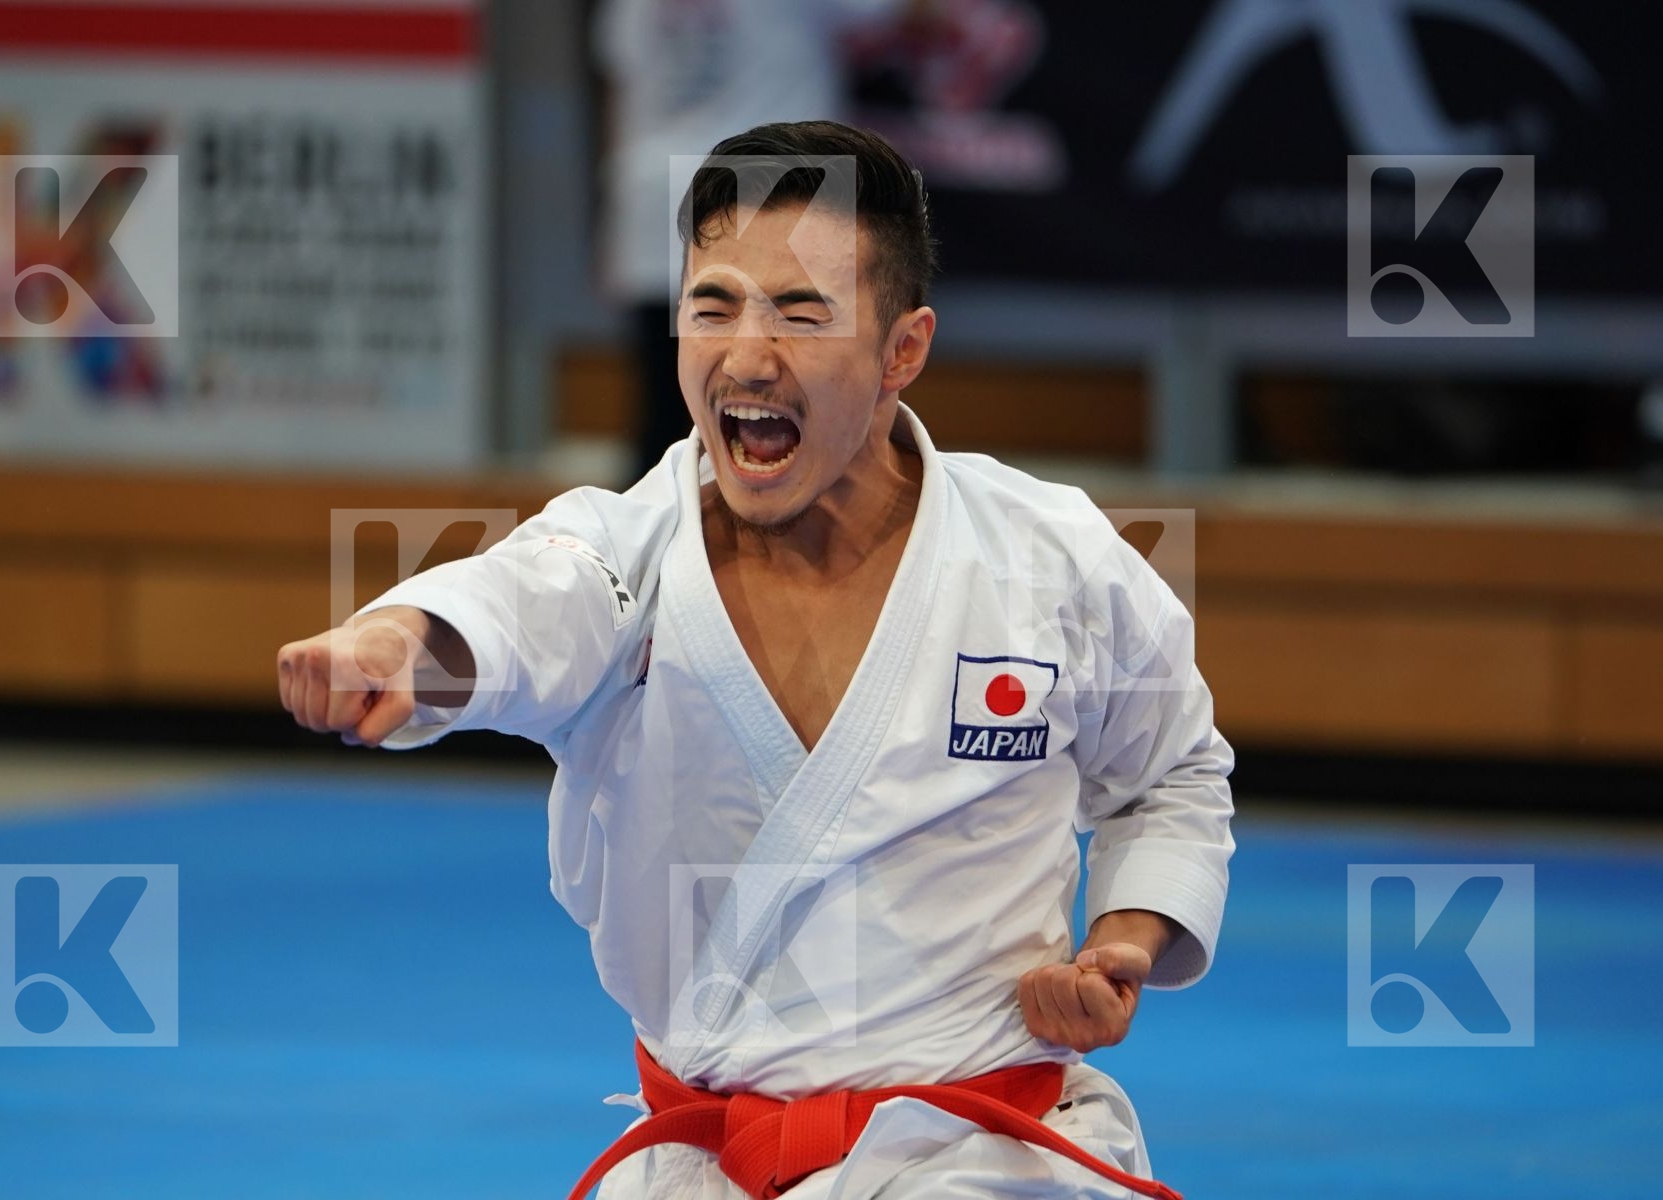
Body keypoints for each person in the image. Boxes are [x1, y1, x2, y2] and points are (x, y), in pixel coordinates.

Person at [277, 121, 1234, 1199]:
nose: (746, 353)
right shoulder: (620, 550)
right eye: (713, 305)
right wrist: (402, 643)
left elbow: (1172, 776)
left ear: (902, 352)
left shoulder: (1047, 555)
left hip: (978, 1157)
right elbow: (518, 605)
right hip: (704, 1161)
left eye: (800, 312)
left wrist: (1122, 943)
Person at [594, 0, 923, 482]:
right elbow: (918, 15)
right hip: (777, 202)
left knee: (669, 414)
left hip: (655, 198)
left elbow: (618, 89)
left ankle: (676, 543)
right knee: (782, 397)